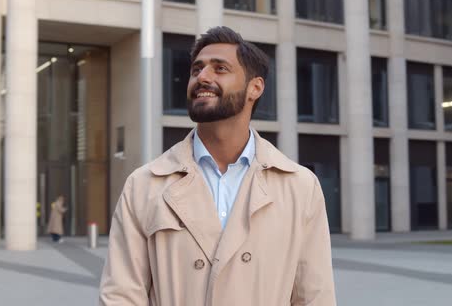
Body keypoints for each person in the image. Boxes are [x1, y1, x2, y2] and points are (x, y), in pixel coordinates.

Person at [100, 26, 336, 305]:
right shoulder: (144, 185)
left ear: (255, 87)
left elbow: (314, 296)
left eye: (220, 68)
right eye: (196, 69)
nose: (202, 77)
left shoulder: (300, 186)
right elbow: (121, 296)